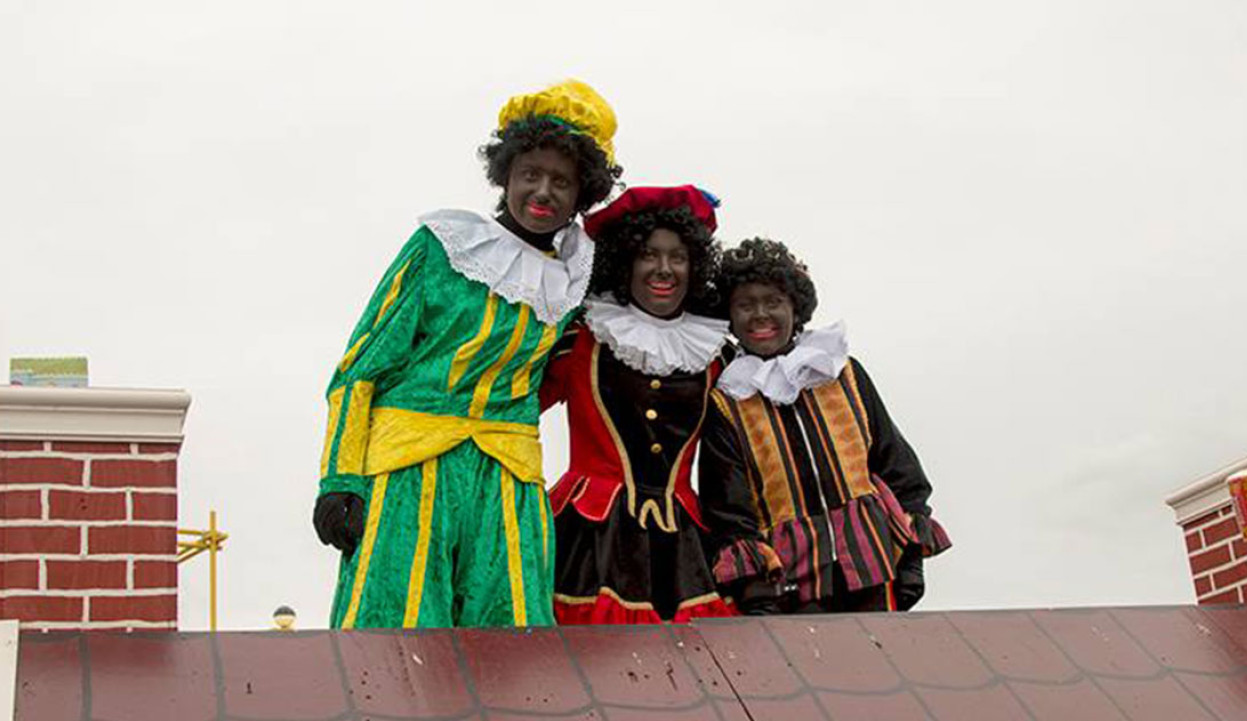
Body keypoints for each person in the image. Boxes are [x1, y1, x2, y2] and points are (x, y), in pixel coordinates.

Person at [313, 80, 622, 629]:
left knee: (512, 646)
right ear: (505, 175)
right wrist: (340, 480)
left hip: (507, 479)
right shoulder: (442, 246)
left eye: (562, 181)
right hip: (408, 470)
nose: (543, 191)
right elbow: (359, 370)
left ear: (583, 194)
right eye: (530, 174)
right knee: (395, 631)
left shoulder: (576, 280)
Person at [699, 238, 949, 614]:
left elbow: (896, 463)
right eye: (745, 305)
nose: (760, 314)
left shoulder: (841, 373)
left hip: (873, 568)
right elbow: (728, 509)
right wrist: (755, 589)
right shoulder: (727, 402)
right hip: (787, 587)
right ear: (730, 317)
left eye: (773, 302)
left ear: (795, 308)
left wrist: (911, 557)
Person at [542, 185, 738, 623]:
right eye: (649, 254)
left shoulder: (716, 354)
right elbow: (511, 407)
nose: (663, 269)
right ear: (626, 259)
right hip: (586, 536)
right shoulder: (582, 335)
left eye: (678, 257)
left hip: (685, 548)